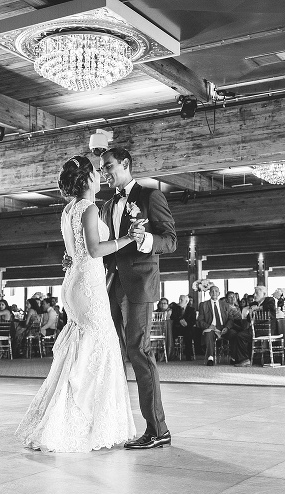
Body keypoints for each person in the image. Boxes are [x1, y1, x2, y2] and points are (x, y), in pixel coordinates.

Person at [16, 155, 137, 452]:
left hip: (72, 282)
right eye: (96, 173)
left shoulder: (67, 209)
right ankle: (82, 423)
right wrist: (128, 238)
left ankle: (64, 416)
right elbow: (95, 249)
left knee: (80, 348)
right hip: (89, 285)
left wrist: (73, 258)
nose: (99, 176)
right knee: (100, 348)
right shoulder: (89, 207)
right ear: (86, 179)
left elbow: (73, 251)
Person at [99, 146, 177, 449]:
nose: (104, 173)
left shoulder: (150, 196)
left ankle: (158, 430)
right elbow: (106, 245)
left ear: (126, 164)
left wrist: (147, 241)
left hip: (140, 284)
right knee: (110, 353)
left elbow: (170, 240)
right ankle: (109, 425)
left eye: (108, 167)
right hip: (111, 284)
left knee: (139, 353)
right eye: (102, 168)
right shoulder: (106, 205)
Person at [196, 286, 238, 366]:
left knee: (235, 334)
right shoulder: (203, 305)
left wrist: (227, 327)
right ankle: (210, 358)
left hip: (224, 327)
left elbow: (230, 319)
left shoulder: (225, 305)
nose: (214, 293)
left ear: (219, 293)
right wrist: (208, 326)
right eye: (212, 291)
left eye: (216, 291)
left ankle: (233, 357)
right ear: (209, 293)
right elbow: (200, 321)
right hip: (211, 327)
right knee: (208, 333)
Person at [169, 295, 196, 360]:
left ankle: (188, 355)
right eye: (179, 299)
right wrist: (179, 320)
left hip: (187, 328)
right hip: (177, 328)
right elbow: (172, 317)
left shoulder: (191, 310)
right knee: (170, 333)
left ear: (186, 301)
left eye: (181, 300)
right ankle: (172, 354)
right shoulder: (175, 309)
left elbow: (193, 321)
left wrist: (187, 324)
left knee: (189, 334)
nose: (179, 301)